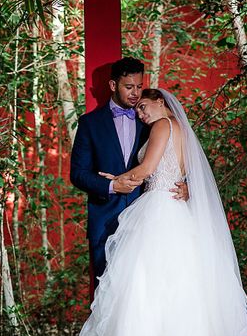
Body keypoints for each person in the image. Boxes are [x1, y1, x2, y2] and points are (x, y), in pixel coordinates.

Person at [76, 88, 247, 336]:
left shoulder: (163, 125)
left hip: (159, 210)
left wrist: (117, 179)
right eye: (138, 111)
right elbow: (186, 172)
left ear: (161, 102)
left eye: (145, 106)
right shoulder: (180, 129)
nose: (141, 114)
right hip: (174, 212)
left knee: (147, 288)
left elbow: (148, 170)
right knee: (177, 289)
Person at [69, 58, 187, 296]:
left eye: (139, 87)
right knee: (108, 298)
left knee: (150, 290)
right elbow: (78, 174)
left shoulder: (152, 120)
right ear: (113, 85)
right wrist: (112, 185)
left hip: (149, 221)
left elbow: (177, 154)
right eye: (128, 87)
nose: (135, 94)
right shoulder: (90, 123)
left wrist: (187, 185)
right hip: (105, 222)